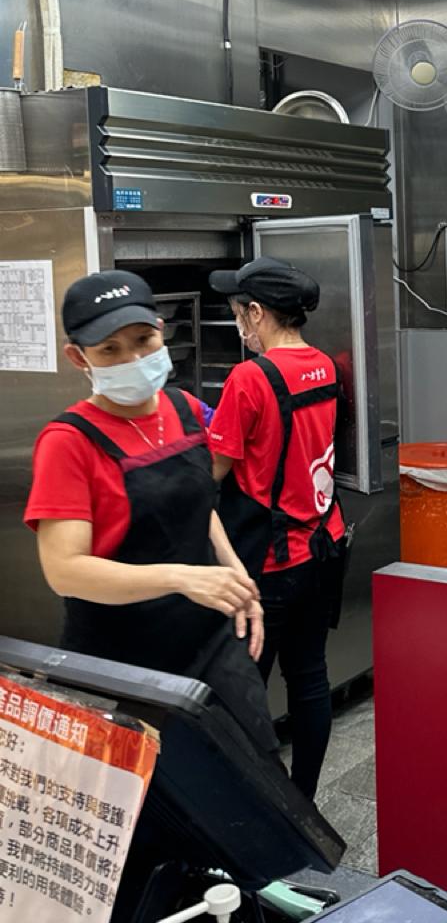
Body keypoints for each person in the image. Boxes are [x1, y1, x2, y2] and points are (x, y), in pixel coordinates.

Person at [24, 271, 276, 755]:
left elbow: (196, 506)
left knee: (255, 775)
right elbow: (64, 570)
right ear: (78, 357)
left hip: (210, 643)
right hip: (121, 661)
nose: (133, 359)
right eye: (110, 350)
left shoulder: (184, 409)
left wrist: (238, 580)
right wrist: (181, 577)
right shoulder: (68, 442)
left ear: (161, 331)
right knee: (153, 795)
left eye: (143, 340)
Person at [207, 256, 346, 800]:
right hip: (323, 548)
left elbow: (215, 470)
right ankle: (301, 802)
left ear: (258, 313)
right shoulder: (325, 366)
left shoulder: (250, 377)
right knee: (309, 678)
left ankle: (257, 808)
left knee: (244, 693)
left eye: (238, 311)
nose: (238, 321)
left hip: (270, 562)